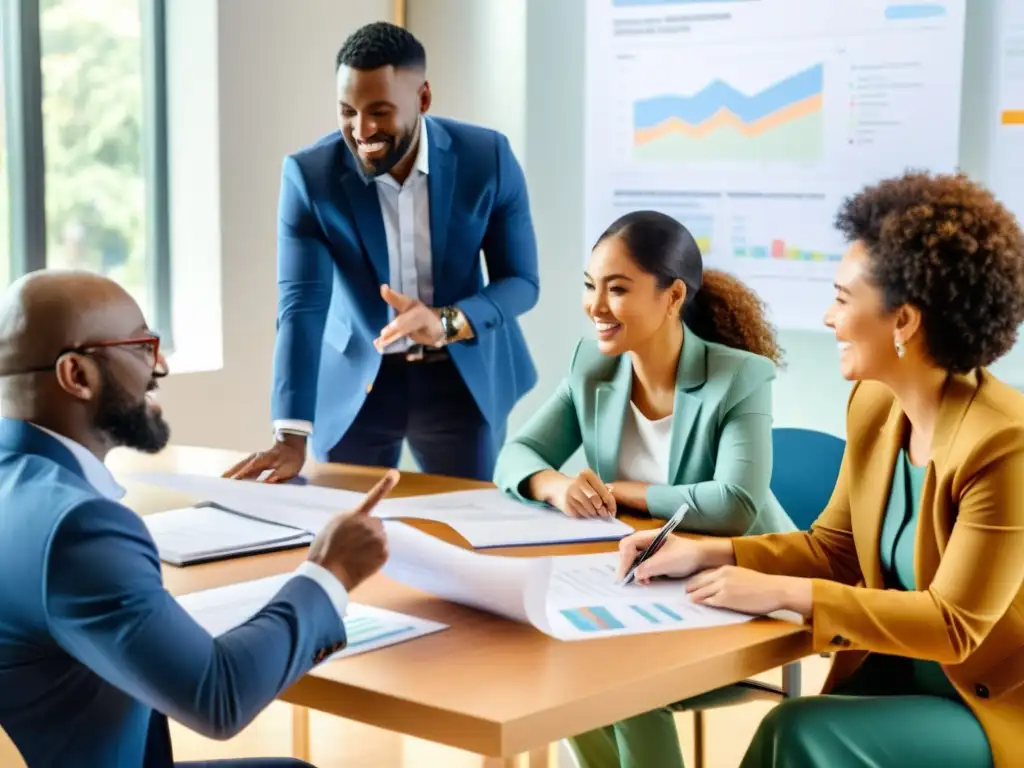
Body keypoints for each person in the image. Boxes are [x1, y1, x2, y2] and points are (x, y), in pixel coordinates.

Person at [616, 171, 1024, 768]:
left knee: (798, 733)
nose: (828, 318)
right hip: (892, 682)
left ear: (904, 321)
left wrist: (784, 592)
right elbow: (834, 547)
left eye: (841, 298)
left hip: (989, 707)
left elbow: (954, 624)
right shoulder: (876, 404)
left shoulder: (1004, 443)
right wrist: (712, 553)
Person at [0, 270, 400, 768]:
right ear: (77, 376)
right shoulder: (77, 527)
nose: (160, 365)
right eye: (142, 345)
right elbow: (219, 697)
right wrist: (329, 570)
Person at [493, 210, 796, 768]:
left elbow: (735, 504)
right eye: (590, 286)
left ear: (673, 295)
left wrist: (625, 490)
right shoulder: (594, 366)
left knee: (619, 680)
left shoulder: (740, 377)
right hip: (645, 584)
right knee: (557, 660)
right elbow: (515, 455)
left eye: (617, 289)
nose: (596, 307)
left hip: (742, 583)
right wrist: (557, 486)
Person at [226, 21, 539, 485]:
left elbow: (520, 283)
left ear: (423, 99)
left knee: (470, 527)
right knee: (344, 530)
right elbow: (301, 306)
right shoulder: (310, 177)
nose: (362, 129)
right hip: (356, 384)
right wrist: (291, 433)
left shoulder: (486, 157)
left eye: (379, 111)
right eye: (347, 111)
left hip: (461, 379)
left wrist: (446, 321)